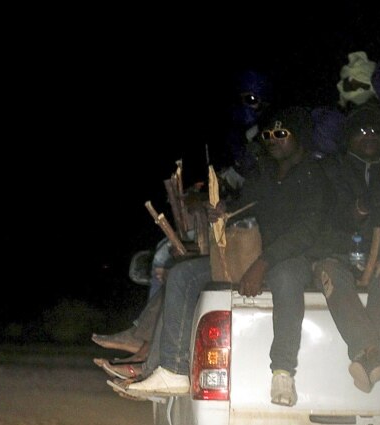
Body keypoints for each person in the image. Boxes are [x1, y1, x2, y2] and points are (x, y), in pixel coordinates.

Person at [126, 107, 329, 407]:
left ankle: (283, 370)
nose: (272, 139)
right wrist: (221, 211)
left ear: (300, 137)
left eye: (281, 134)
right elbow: (243, 208)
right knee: (183, 275)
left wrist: (263, 263)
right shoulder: (265, 177)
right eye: (268, 134)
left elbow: (306, 233)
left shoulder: (315, 175)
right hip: (254, 255)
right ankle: (174, 370)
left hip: (294, 257)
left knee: (286, 278)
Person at [316, 104, 380, 393]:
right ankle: (373, 353)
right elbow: (327, 218)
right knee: (330, 273)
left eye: (376, 132)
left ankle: (366, 358)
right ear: (349, 137)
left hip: (379, 254)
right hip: (337, 253)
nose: (370, 137)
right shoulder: (331, 169)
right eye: (362, 131)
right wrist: (362, 207)